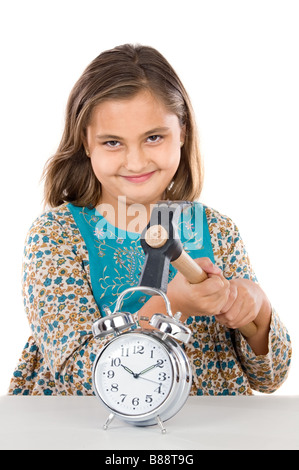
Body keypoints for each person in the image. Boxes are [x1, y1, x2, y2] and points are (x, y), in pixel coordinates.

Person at [9, 44, 291, 396]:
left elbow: (270, 376)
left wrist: (256, 307)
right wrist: (175, 305)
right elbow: (78, 375)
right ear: (85, 141)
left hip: (205, 436)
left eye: (154, 138)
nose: (136, 162)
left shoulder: (217, 231)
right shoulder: (56, 237)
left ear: (183, 131)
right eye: (113, 142)